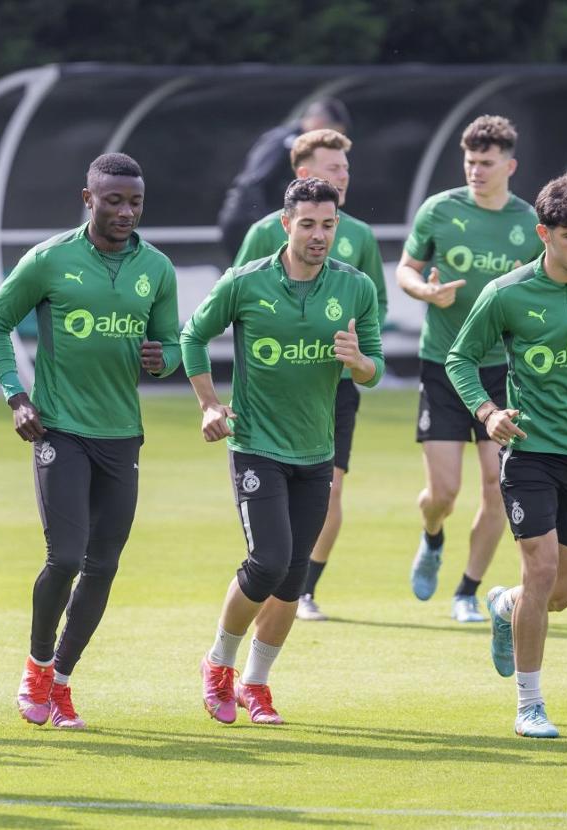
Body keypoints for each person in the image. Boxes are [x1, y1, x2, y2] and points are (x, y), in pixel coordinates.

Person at [0, 153, 181, 729]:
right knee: (65, 557)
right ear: (87, 198)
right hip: (60, 428)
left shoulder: (156, 269)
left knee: (104, 565)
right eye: (113, 200)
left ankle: (61, 683)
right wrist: (17, 397)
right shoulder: (49, 259)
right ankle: (36, 668)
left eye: (134, 201)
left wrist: (161, 358)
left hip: (122, 435)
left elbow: (171, 346)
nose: (125, 211)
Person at [445, 173, 567, 738]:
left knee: (559, 594)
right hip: (528, 453)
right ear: (543, 234)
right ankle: (529, 705)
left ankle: (503, 606)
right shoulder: (507, 292)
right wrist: (488, 414)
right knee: (543, 569)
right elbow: (460, 359)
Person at [188, 177, 384, 726]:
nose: (319, 235)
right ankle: (219, 664)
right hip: (256, 445)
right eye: (308, 224)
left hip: (316, 451)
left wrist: (359, 362)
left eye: (328, 225)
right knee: (268, 561)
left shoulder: (356, 288)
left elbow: (374, 369)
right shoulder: (246, 283)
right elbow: (192, 336)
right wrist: (209, 403)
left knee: (293, 579)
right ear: (286, 224)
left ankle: (256, 683)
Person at [232, 128, 386, 622]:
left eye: (345, 169)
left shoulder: (358, 236)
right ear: (304, 175)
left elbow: (375, 306)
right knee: (270, 549)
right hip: (271, 397)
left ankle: (305, 588)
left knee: (331, 488)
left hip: (335, 388)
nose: (343, 175)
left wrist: (358, 354)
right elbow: (237, 306)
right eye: (333, 168)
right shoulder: (262, 233)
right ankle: (274, 589)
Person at [398, 115, 545, 622]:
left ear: (510, 165)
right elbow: (405, 270)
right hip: (442, 364)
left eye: (486, 163)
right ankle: (432, 536)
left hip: (501, 372)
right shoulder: (439, 210)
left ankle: (466, 590)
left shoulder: (530, 223)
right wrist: (426, 292)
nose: (476, 171)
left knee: (495, 486)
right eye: (470, 162)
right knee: (443, 493)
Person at [218, 98, 350, 255]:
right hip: (247, 221)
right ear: (318, 122)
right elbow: (252, 183)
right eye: (333, 133)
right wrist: (266, 225)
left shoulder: (302, 146)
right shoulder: (287, 141)